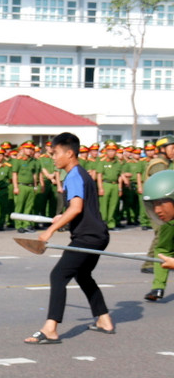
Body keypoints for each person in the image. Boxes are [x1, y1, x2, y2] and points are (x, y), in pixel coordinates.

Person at [24, 132, 114, 344]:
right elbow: (78, 208)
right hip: (97, 234)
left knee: (58, 275)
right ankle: (104, 319)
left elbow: (76, 208)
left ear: (70, 153)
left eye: (55, 153)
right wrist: (61, 217)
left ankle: (51, 328)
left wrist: (50, 231)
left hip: (88, 236)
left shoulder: (73, 175)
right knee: (83, 275)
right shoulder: (80, 174)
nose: (53, 158)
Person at [141, 170, 174, 302]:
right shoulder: (169, 224)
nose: (157, 210)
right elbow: (163, 251)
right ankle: (158, 287)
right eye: (154, 205)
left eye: (160, 203)